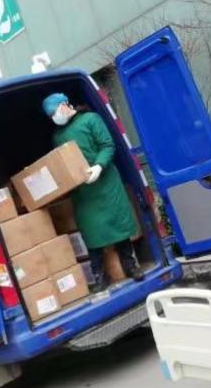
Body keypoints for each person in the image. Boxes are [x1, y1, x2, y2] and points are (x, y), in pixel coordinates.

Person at [42, 93, 144, 293]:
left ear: (64, 105)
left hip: (106, 184)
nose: (55, 117)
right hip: (83, 192)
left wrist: (98, 166)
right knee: (91, 233)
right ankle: (99, 276)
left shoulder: (91, 120)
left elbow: (107, 145)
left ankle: (131, 266)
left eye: (55, 112)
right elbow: (61, 163)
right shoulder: (57, 136)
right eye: (50, 115)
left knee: (118, 226)